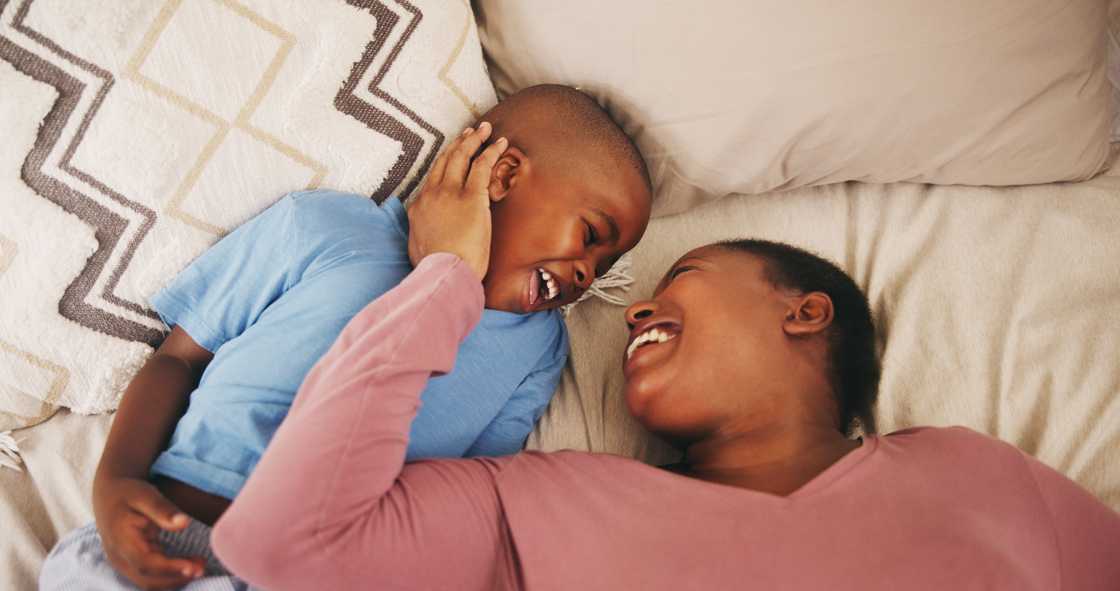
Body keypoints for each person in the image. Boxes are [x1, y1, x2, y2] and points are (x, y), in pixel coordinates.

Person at [211, 128, 1120, 590]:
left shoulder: (980, 475)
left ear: (805, 313)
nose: (634, 302)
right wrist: (445, 278)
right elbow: (282, 541)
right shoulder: (531, 498)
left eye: (680, 274)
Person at [39, 86, 652, 590]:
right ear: (503, 174)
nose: (586, 275)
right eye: (592, 235)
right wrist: (115, 482)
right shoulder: (323, 226)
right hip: (169, 533)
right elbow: (178, 358)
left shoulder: (537, 350)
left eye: (605, 265)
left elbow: (469, 492)